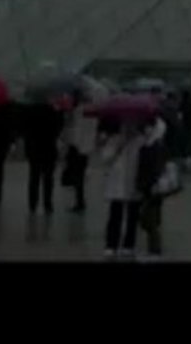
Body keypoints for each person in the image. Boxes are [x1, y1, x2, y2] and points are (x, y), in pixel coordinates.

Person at [101, 120, 145, 258]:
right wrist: (117, 148)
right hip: (117, 184)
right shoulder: (115, 139)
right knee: (115, 215)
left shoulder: (142, 141)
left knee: (133, 216)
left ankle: (129, 244)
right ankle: (111, 244)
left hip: (135, 182)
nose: (129, 128)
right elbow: (105, 158)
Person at [137, 115, 169, 259]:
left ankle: (155, 250)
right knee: (151, 218)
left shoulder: (154, 145)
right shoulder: (151, 143)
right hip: (149, 185)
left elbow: (154, 167)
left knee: (149, 219)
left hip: (152, 186)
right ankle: (154, 248)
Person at [23, 102, 64, 215]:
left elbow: (26, 130)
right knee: (48, 178)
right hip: (49, 148)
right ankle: (48, 204)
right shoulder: (53, 111)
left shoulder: (30, 110)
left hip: (34, 149)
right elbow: (58, 128)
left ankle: (32, 204)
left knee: (34, 177)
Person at [64, 93, 98, 213]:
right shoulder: (94, 111)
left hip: (78, 147)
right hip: (87, 147)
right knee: (81, 175)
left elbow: (76, 130)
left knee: (77, 176)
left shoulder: (78, 111)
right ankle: (80, 201)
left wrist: (72, 143)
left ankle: (79, 202)